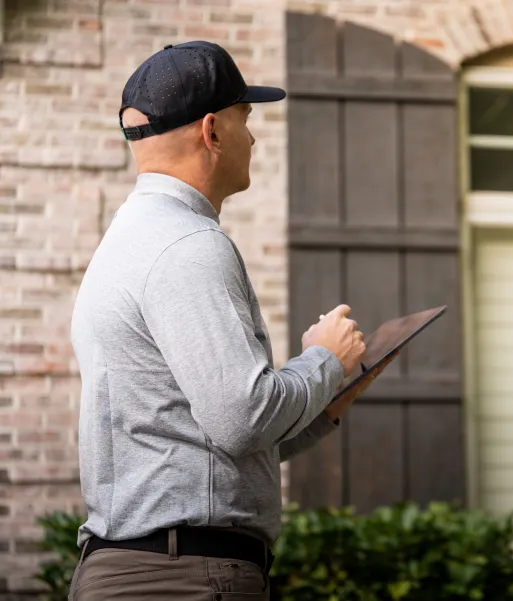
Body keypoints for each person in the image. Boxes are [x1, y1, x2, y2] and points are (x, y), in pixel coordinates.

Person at [67, 41, 365, 600]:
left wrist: (323, 406)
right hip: (184, 577)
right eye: (245, 118)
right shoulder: (188, 245)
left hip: (154, 570)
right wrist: (324, 359)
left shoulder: (132, 239)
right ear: (212, 131)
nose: (252, 138)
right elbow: (244, 418)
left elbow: (204, 445)